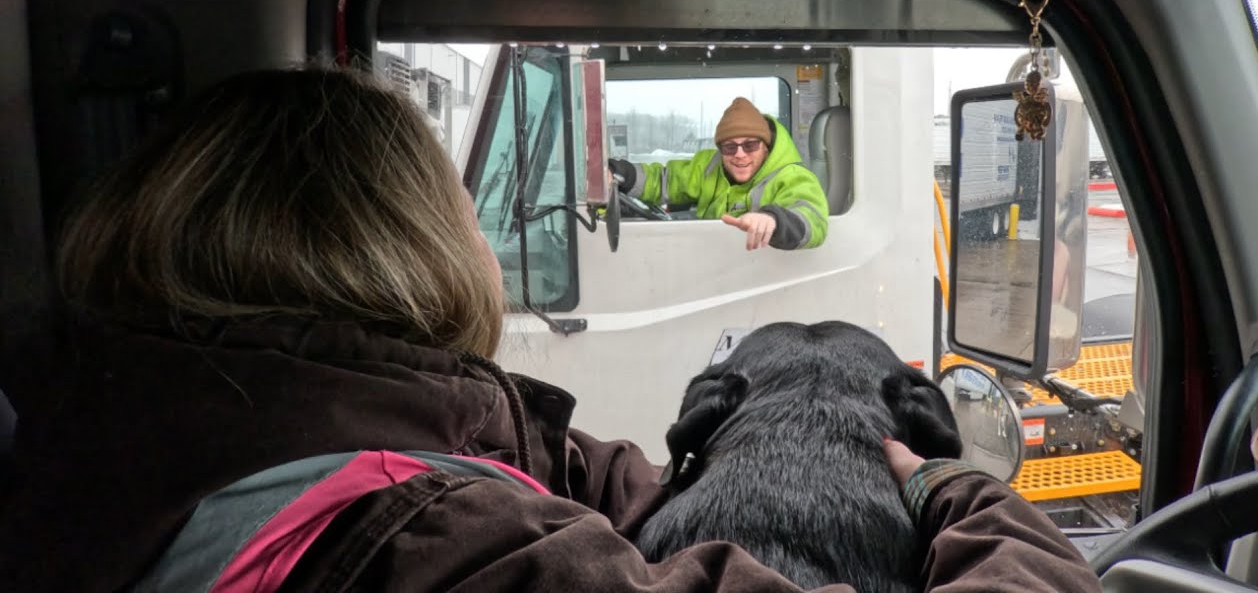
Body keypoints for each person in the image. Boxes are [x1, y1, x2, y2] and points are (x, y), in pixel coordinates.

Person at [0, 67, 1101, 592]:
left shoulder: (135, 445)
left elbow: (531, 465)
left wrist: (726, 455)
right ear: (410, 251)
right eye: (452, 206)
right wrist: (943, 490)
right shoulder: (435, 555)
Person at [609, 97, 829, 250]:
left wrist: (774, 220)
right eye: (730, 147)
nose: (740, 155)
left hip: (764, 275)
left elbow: (813, 218)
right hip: (713, 264)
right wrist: (619, 173)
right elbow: (663, 180)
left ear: (766, 146)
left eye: (750, 145)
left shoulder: (792, 176)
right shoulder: (709, 166)